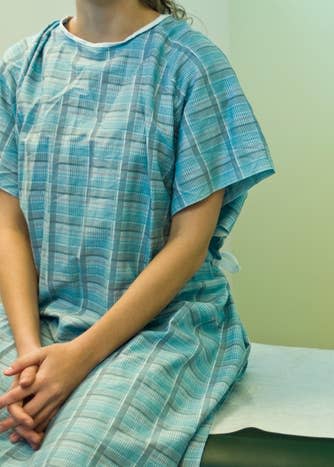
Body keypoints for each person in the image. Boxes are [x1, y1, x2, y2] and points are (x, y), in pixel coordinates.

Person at [0, 0, 276, 464]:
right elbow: (9, 225)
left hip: (161, 327)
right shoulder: (21, 68)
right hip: (36, 319)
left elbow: (189, 245)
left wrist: (79, 358)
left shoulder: (191, 66)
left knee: (71, 457)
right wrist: (31, 358)